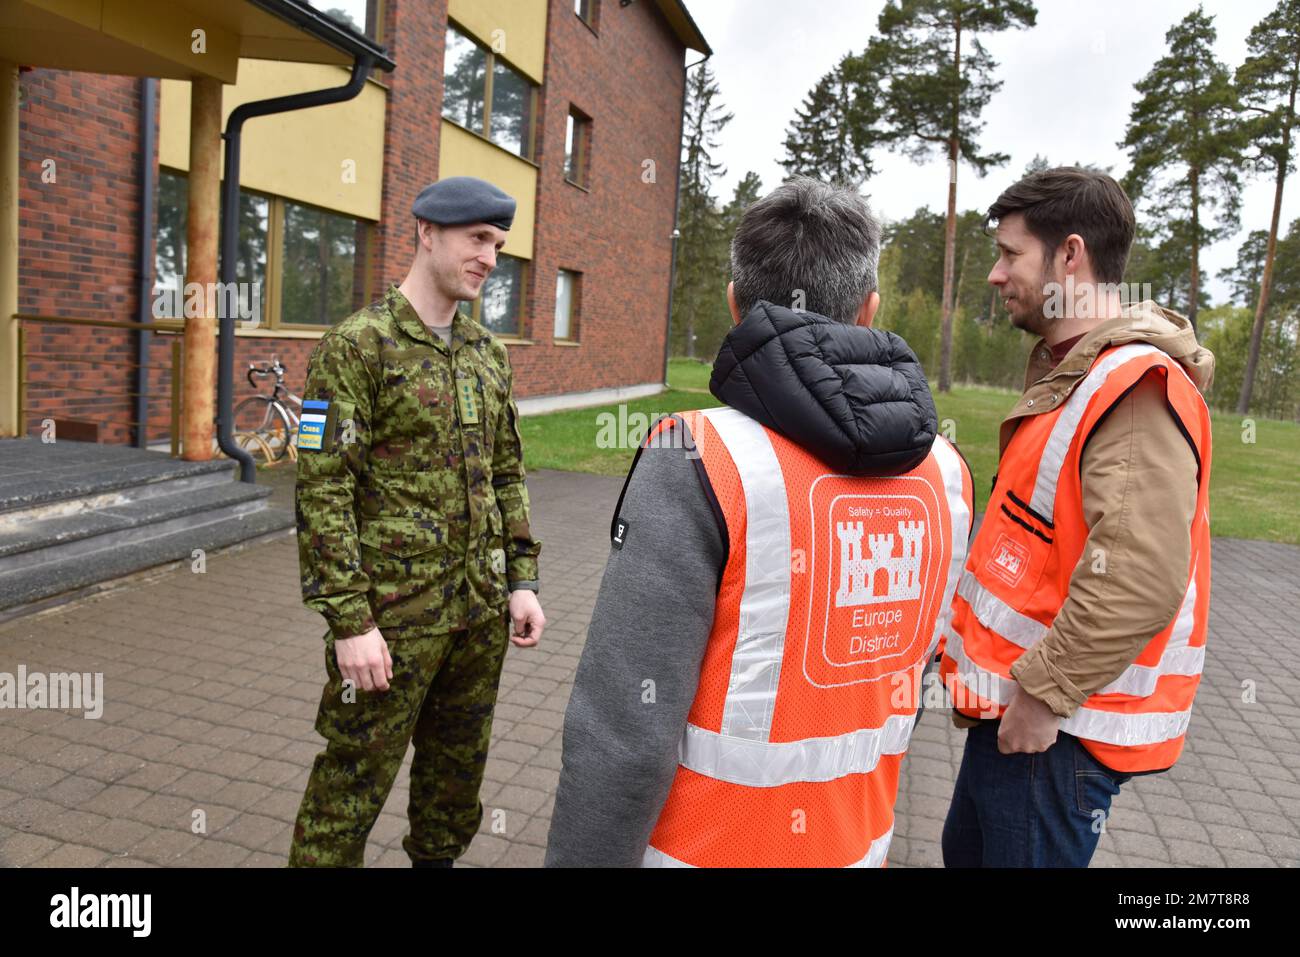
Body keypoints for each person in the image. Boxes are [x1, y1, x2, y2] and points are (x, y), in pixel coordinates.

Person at [544, 176, 974, 868]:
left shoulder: (697, 455)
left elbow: (625, 726)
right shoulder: (946, 474)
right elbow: (911, 674)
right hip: (856, 844)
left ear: (734, 303)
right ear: (870, 310)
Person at [938, 167, 1215, 868]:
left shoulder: (1132, 389)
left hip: (1054, 733)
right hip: (1022, 720)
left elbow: (1139, 576)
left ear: (1069, 255)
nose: (997, 275)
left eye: (1010, 253)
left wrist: (1043, 694)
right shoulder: (1077, 375)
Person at [288, 176, 546, 868]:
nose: (491, 257)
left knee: (453, 793)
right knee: (347, 793)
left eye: (497, 243)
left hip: (477, 616)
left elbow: (505, 474)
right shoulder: (356, 347)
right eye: (477, 239)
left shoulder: (486, 355)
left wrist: (522, 578)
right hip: (389, 626)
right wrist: (349, 619)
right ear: (427, 233)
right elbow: (323, 489)